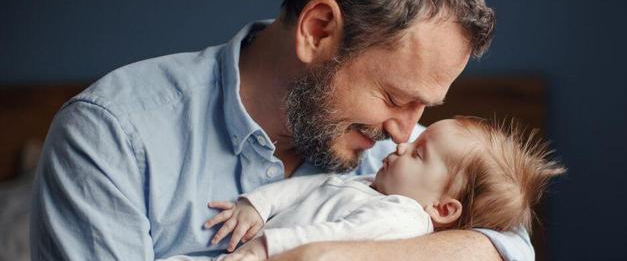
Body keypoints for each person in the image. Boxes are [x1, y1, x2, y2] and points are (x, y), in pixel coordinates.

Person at [28, 0, 544, 260]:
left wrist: (327, 254)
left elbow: (507, 245)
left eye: (422, 108)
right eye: (393, 98)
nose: (404, 133)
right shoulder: (112, 136)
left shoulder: (404, 161)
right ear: (318, 30)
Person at [204, 117, 565, 261]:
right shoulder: (374, 184)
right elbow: (304, 188)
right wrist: (257, 205)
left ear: (442, 209)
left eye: (418, 152)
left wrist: (265, 247)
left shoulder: (401, 218)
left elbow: (332, 240)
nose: (401, 142)